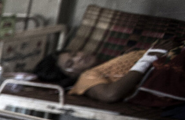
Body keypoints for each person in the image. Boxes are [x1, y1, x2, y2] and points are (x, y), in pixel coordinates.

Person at [34, 43, 176, 102]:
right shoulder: (86, 77)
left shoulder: (106, 65)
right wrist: (148, 58)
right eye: (71, 63)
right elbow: (110, 94)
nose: (80, 57)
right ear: (68, 76)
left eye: (75, 53)